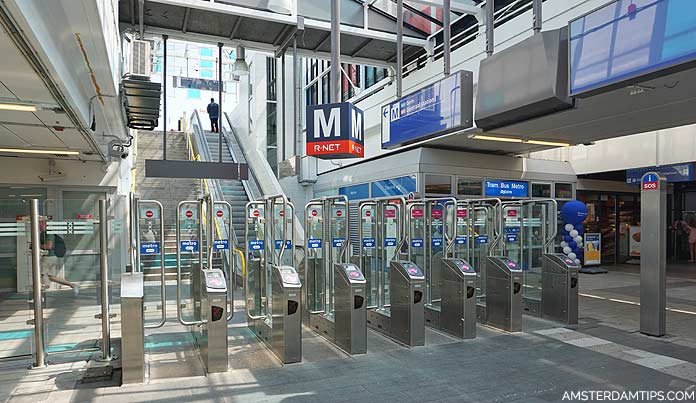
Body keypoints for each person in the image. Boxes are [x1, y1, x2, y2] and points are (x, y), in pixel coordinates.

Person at [40, 220, 79, 295]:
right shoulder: (44, 233)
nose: (39, 225)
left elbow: (49, 246)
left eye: (41, 224)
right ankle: (73, 285)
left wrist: (36, 245)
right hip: (51, 257)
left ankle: (39, 296)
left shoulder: (48, 233)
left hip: (48, 257)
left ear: (45, 225)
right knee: (51, 277)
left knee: (39, 276)